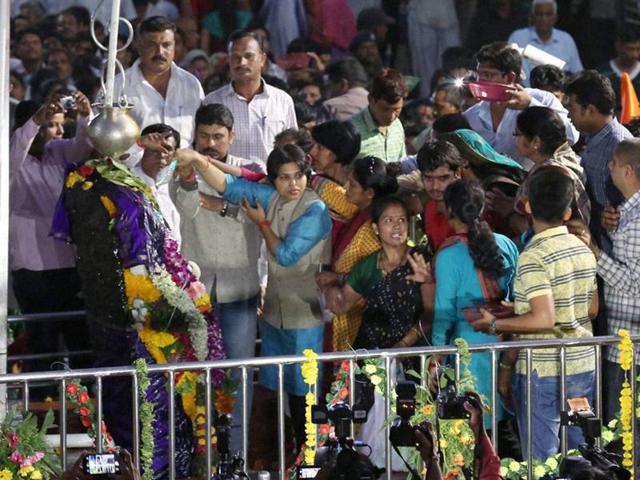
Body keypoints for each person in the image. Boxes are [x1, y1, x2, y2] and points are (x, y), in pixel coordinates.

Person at [175, 142, 331, 459]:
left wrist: (261, 223)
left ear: (307, 173)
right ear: (274, 180)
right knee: (272, 392)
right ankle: (275, 462)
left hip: (305, 313)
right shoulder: (272, 197)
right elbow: (229, 186)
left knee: (305, 397)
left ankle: (311, 464)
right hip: (273, 310)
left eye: (298, 176)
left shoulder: (315, 210)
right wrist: (195, 160)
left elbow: (286, 256)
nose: (293, 184)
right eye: (284, 178)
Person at [471, 169, 598, 460]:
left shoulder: (533, 256)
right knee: (579, 449)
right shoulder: (582, 249)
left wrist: (494, 323)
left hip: (543, 372)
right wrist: (519, 310)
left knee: (542, 458)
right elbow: (590, 308)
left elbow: (544, 319)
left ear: (527, 205)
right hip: (581, 368)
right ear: (567, 212)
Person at [170, 103, 265, 450]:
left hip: (240, 291)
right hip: (196, 293)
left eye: (218, 137)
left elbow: (254, 209)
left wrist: (221, 202)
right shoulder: (182, 169)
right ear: (194, 135)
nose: (210, 143)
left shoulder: (251, 171)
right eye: (204, 136)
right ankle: (199, 457)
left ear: (232, 137)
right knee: (194, 378)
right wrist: (226, 204)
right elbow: (187, 206)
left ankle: (235, 456)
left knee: (238, 377)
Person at [10, 92, 92, 377]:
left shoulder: (56, 151)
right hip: (33, 271)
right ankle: (45, 415)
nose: (59, 131)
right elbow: (18, 146)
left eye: (60, 124)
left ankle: (87, 414)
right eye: (52, 124)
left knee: (80, 342)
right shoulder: (10, 158)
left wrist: (83, 116)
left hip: (69, 264)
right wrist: (36, 120)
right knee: (43, 347)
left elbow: (83, 147)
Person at [431, 180, 518, 428]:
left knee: (468, 426)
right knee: (497, 428)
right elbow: (513, 298)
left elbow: (443, 315)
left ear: (448, 211)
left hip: (466, 351)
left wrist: (435, 360)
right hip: (503, 346)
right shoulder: (507, 245)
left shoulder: (449, 255)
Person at [581, 139, 640, 428]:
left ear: (628, 171)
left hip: (631, 349)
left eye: (614, 163)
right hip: (622, 341)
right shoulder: (627, 212)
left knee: (624, 432)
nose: (608, 167)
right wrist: (609, 229)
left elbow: (634, 283)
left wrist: (595, 254)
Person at [316, 156, 399, 352]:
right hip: (341, 310)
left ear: (369, 193)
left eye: (352, 184)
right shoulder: (359, 214)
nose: (345, 187)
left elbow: (379, 277)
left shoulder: (374, 229)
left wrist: (337, 277)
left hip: (359, 320)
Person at [463, 41, 578, 170]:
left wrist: (531, 105)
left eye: (488, 75)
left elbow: (571, 137)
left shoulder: (542, 99)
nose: (481, 80)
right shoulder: (470, 116)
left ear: (510, 78)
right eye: (480, 74)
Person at [203, 31, 297, 166]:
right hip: (227, 183)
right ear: (229, 60)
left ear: (262, 59)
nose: (242, 63)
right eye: (235, 57)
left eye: (249, 56)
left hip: (270, 183)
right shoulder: (212, 101)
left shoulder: (282, 101)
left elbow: (292, 148)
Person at [564, 70, 632, 256]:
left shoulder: (618, 145)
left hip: (616, 257)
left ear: (590, 110)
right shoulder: (593, 139)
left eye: (572, 108)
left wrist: (611, 217)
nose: (568, 115)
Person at [115, 16, 204, 151]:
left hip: (183, 170)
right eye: (152, 45)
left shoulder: (191, 85)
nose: (160, 52)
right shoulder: (118, 86)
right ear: (139, 45)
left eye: (166, 45)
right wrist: (140, 144)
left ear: (175, 46)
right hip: (132, 171)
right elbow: (105, 143)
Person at [513, 106, 590, 231]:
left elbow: (544, 226)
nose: (514, 140)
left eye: (517, 134)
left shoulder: (549, 175)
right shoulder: (566, 155)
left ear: (535, 142)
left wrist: (510, 215)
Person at [508, 0, 583, 84]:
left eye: (548, 14)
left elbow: (578, 74)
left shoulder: (566, 39)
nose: (543, 18)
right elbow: (508, 71)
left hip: (559, 94)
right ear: (532, 17)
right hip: (525, 93)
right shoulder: (518, 37)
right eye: (539, 14)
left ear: (555, 18)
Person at [132, 123, 181, 242]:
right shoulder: (126, 179)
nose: (161, 153)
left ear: (174, 154)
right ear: (143, 148)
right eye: (155, 148)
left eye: (167, 148)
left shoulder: (167, 191)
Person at [351, 68, 407, 162]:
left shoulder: (397, 125)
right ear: (371, 100)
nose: (391, 116)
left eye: (396, 109)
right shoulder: (351, 131)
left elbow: (402, 162)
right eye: (385, 109)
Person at [416, 139, 463, 251]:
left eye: (443, 178)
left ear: (458, 174)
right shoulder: (429, 207)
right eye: (428, 178)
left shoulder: (469, 211)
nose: (435, 186)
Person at [407, 0, 460, 97]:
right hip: (421, 14)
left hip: (447, 14)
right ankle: (429, 101)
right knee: (425, 69)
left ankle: (453, 101)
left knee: (453, 63)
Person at [597, 26, 640, 116]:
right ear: (619, 46)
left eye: (638, 49)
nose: (635, 54)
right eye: (630, 49)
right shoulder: (602, 73)